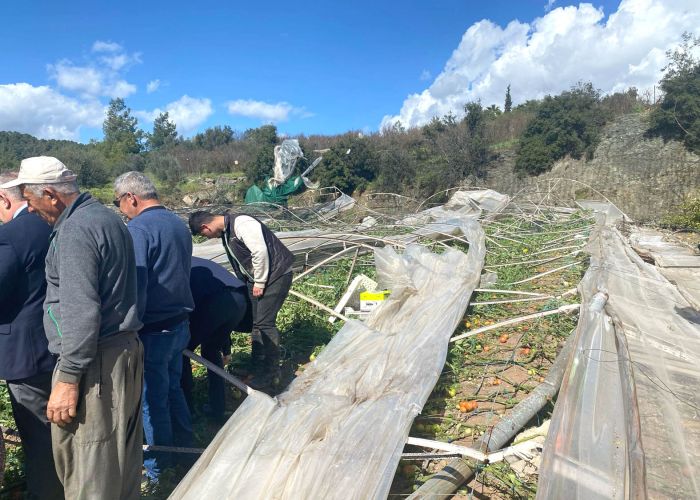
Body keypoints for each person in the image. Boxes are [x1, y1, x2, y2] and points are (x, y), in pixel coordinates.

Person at [1, 157, 144, 499]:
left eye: (31, 200)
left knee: (90, 467)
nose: (31, 211)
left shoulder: (76, 230)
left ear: (50, 194)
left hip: (97, 363)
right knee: (119, 464)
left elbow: (80, 309)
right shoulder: (105, 218)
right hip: (120, 350)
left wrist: (67, 378)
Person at [113, 171, 194, 482]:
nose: (121, 209)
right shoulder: (177, 224)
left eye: (119, 202)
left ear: (131, 198)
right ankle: (185, 450)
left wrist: (128, 324)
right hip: (180, 323)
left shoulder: (138, 229)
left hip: (155, 329)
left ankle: (159, 470)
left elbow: (138, 282)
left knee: (151, 399)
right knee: (173, 389)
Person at [0, 172, 63, 499]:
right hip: (61, 345)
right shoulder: (55, 224)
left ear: (5, 199)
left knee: (37, 435)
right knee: (62, 429)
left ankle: (46, 493)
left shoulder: (10, 236)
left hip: (25, 353)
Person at [188, 210, 293, 388]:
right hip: (257, 279)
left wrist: (259, 281)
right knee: (256, 324)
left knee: (265, 324)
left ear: (205, 227)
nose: (208, 238)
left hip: (276, 275)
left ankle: (272, 371)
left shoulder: (242, 223)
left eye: (203, 234)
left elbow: (259, 252)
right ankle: (258, 367)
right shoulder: (227, 232)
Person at [181, 256, 252, 422]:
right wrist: (226, 349)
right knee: (212, 350)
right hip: (239, 300)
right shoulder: (194, 260)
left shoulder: (178, 265)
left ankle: (188, 409)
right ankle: (217, 408)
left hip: (217, 303)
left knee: (183, 351)